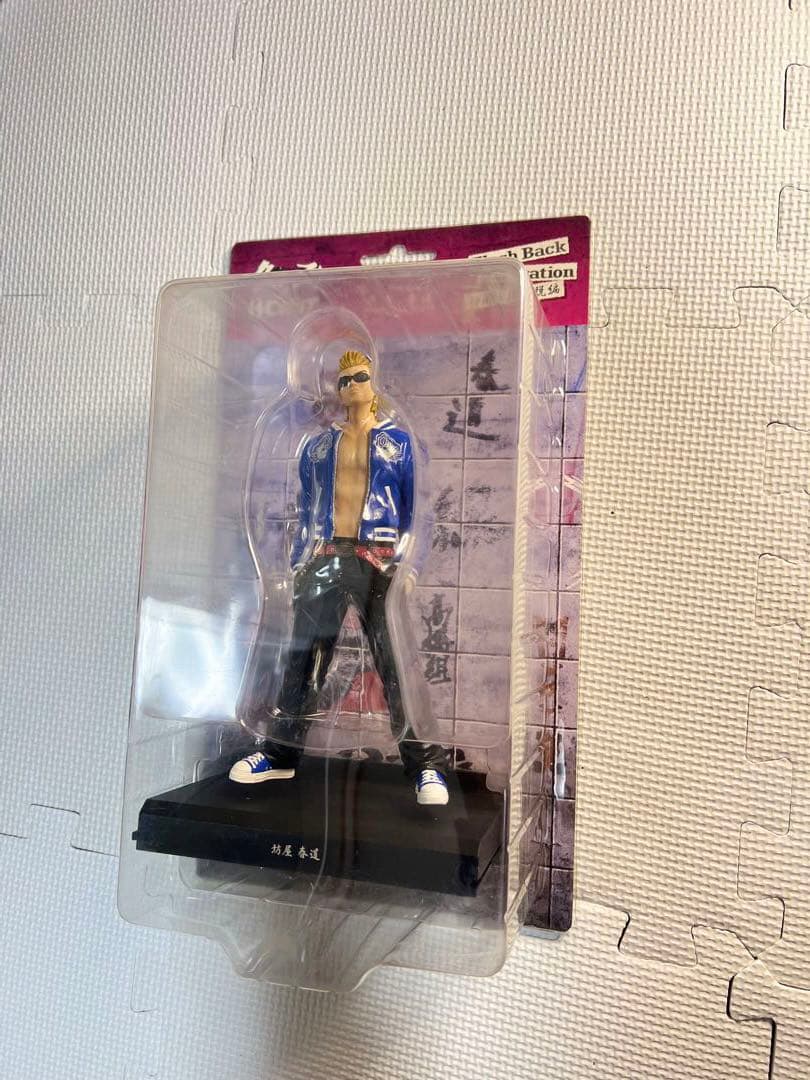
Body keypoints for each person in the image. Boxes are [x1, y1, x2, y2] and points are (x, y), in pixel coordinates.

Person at [230, 349, 450, 805]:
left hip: (379, 559)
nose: (351, 386)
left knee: (395, 664)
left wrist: (411, 565)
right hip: (326, 556)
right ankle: (280, 753)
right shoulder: (318, 447)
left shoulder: (399, 444)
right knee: (302, 660)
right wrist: (298, 562)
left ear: (374, 381)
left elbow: (420, 512)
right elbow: (308, 511)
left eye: (359, 377)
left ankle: (424, 764)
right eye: (344, 379)